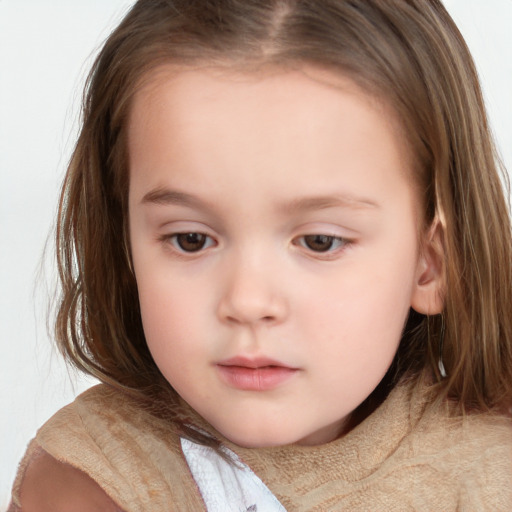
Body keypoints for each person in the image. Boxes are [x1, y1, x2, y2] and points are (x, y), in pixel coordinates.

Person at [9, 0, 512, 510]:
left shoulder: (494, 469)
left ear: (432, 263)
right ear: (126, 246)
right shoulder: (92, 478)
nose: (248, 302)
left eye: (319, 241)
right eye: (191, 239)